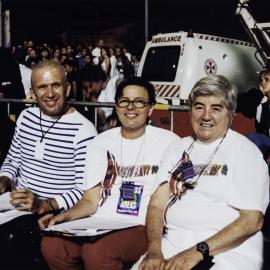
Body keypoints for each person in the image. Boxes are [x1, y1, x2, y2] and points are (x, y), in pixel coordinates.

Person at [38, 76, 179, 270]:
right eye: (124, 101)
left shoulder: (169, 142)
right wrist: (65, 216)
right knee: (53, 246)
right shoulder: (100, 143)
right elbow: (90, 200)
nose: (130, 107)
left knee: (97, 253)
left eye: (139, 102)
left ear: (150, 108)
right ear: (117, 106)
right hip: (100, 221)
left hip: (141, 224)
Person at [133, 75, 269, 270]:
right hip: (173, 243)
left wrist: (198, 251)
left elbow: (252, 221)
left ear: (231, 114)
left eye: (216, 108)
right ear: (190, 111)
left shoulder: (245, 152)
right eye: (199, 107)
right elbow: (156, 204)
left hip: (228, 250)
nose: (206, 116)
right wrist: (154, 250)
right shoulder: (176, 149)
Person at [0, 60, 97, 268]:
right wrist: (4, 179)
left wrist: (45, 204)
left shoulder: (84, 130)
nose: (50, 93)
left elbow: (83, 190)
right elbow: (13, 159)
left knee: (10, 239)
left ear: (67, 88)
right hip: (16, 203)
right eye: (42, 87)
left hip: (53, 210)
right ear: (32, 92)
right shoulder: (25, 118)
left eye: (56, 85)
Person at [237, 69, 270, 155]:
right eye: (261, 80)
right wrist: (259, 94)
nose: (262, 82)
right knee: (250, 139)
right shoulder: (259, 99)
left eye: (266, 79)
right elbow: (239, 104)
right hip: (263, 141)